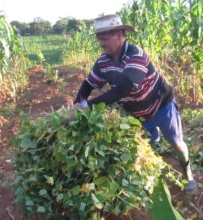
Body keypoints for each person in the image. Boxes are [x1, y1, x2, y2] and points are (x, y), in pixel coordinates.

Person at [74, 14, 196, 191]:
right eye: (99, 39)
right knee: (145, 147)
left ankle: (188, 173)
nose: (101, 43)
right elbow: (88, 84)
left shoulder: (135, 55)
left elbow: (122, 89)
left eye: (105, 38)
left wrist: (88, 106)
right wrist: (77, 104)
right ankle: (153, 164)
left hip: (161, 106)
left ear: (120, 34)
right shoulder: (103, 62)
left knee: (177, 144)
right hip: (135, 113)